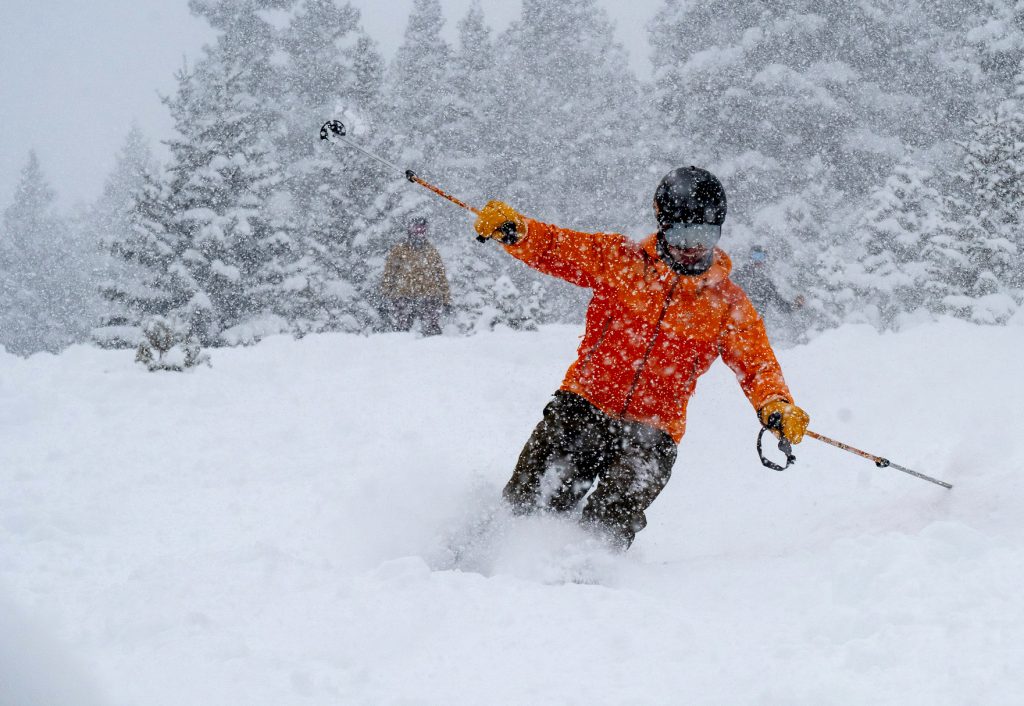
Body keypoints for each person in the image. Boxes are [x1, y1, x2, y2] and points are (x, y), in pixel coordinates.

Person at [472, 166, 810, 549]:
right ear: (662, 224)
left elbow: (757, 363)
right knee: (529, 503)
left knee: (609, 523)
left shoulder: (726, 303)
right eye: (681, 233)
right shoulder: (620, 261)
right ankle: (482, 562)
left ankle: (584, 584)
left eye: (703, 234)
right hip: (583, 407)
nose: (691, 246)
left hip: (652, 433)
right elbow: (555, 247)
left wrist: (776, 405)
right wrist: (518, 230)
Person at [379, 217, 451, 336]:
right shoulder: (399, 250)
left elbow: (441, 276)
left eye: (422, 229)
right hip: (403, 295)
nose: (419, 232)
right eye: (416, 228)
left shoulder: (431, 251)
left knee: (432, 330)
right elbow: (389, 273)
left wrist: (446, 299)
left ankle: (433, 350)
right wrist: (385, 294)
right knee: (401, 330)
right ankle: (401, 350)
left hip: (428, 296)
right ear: (409, 229)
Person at [731, 246, 805, 318]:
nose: (758, 261)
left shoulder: (766, 284)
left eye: (761, 257)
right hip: (734, 323)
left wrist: (796, 305)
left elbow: (781, 306)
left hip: (753, 326)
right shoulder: (739, 276)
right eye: (755, 256)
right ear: (750, 257)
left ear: (764, 260)